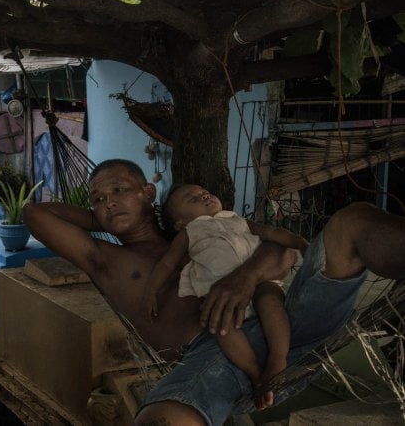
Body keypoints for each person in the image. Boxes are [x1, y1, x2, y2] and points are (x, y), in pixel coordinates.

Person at [22, 159, 405, 425]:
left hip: (284, 322)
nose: (108, 201)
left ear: (148, 193)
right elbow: (35, 215)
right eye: (98, 198)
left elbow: (275, 246)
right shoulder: (105, 259)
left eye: (119, 190)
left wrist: (245, 277)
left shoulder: (200, 232)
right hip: (216, 358)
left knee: (353, 221)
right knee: (161, 421)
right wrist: (103, 218)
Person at [144, 184, 308, 409]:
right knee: (221, 326)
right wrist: (152, 290)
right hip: (219, 297)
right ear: (180, 222)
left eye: (204, 192)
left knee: (272, 302)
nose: (204, 196)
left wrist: (299, 243)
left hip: (260, 282)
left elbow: (272, 233)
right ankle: (255, 373)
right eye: (192, 199)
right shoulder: (188, 232)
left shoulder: (237, 219)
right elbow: (166, 263)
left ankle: (278, 358)